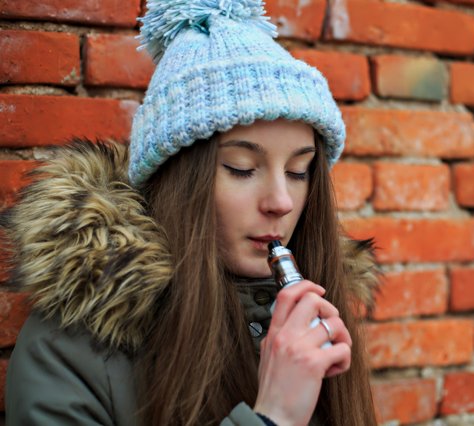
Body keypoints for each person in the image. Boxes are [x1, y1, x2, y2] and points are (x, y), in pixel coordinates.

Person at [2, 1, 379, 425]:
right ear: (178, 180)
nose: (282, 201)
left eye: (298, 171)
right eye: (241, 168)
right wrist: (274, 416)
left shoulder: (319, 326)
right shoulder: (70, 350)